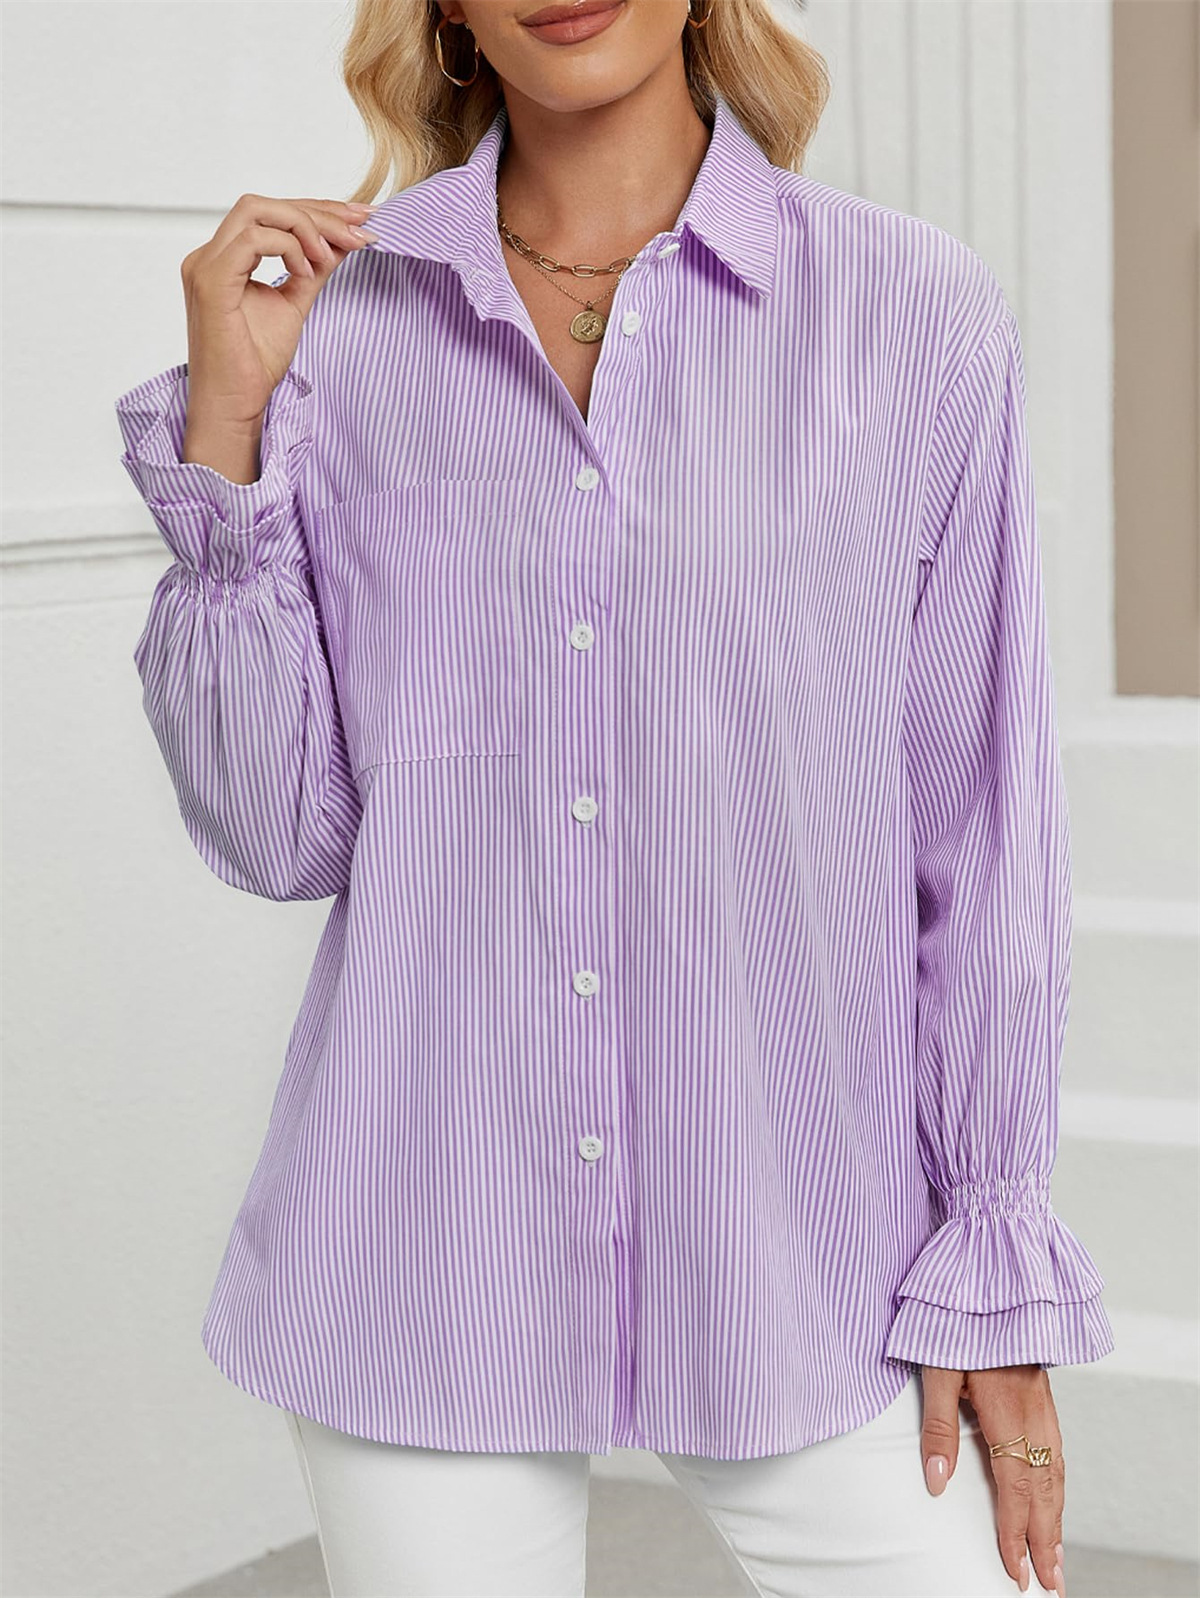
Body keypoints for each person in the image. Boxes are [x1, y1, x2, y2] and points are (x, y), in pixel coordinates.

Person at [115, 0, 1113, 1594]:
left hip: (805, 1250)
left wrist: (993, 1249)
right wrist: (227, 433)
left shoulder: (908, 314)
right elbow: (272, 830)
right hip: (427, 1245)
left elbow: (979, 828)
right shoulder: (338, 333)